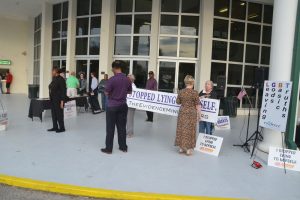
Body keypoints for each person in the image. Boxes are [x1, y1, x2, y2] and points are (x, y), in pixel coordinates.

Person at [101, 60, 132, 154]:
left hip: (112, 106)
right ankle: (123, 147)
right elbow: (130, 92)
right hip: (123, 106)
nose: (112, 70)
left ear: (115, 68)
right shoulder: (127, 79)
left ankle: (109, 149)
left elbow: (106, 92)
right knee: (122, 127)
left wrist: (113, 94)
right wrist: (121, 93)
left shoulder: (112, 79)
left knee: (110, 128)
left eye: (112, 68)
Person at [175, 75, 200, 156]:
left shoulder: (181, 91)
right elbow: (197, 105)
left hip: (182, 112)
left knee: (182, 129)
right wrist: (199, 115)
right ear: (192, 82)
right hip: (191, 113)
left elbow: (178, 102)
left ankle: (181, 148)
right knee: (191, 130)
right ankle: (189, 149)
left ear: (185, 82)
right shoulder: (195, 92)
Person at [48, 67, 67, 133]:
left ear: (55, 72)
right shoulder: (54, 78)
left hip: (58, 100)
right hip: (53, 100)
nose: (51, 72)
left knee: (59, 114)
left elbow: (63, 91)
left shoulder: (61, 79)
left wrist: (62, 102)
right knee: (54, 114)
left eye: (52, 71)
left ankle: (62, 128)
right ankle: (55, 127)